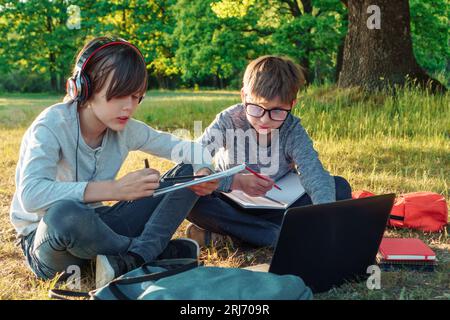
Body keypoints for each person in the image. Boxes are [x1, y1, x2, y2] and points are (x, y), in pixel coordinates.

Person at [9, 37, 218, 288]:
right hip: (48, 240)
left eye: (136, 96)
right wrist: (114, 189)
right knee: (66, 214)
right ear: (84, 87)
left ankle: (131, 259)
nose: (128, 107)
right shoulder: (51, 125)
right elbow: (31, 195)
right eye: (119, 95)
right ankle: (151, 253)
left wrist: (204, 170)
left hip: (100, 227)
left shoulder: (127, 129)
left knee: (187, 173)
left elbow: (188, 149)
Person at [186, 55, 352, 248]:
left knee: (338, 187)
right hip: (230, 203)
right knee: (190, 198)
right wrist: (234, 182)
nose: (264, 120)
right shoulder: (228, 120)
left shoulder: (292, 129)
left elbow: (313, 173)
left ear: (292, 104)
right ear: (244, 97)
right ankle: (277, 236)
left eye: (277, 112)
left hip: (278, 206)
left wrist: (325, 214)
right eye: (257, 108)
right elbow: (194, 162)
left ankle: (238, 236)